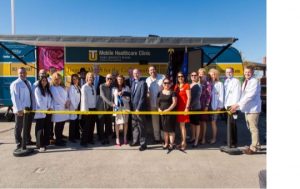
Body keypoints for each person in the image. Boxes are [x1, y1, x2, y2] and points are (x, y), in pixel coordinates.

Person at [230, 66, 262, 154]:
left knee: (253, 128)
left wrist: (237, 105)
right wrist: (237, 106)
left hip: (253, 109)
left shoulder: (254, 81)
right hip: (247, 109)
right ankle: (257, 145)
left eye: (249, 72)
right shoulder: (245, 82)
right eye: (246, 72)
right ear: (243, 72)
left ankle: (254, 148)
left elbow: (249, 96)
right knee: (250, 127)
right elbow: (243, 96)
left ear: (252, 73)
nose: (247, 73)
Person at [10, 67, 35, 149]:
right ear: (18, 74)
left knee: (27, 125)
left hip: (28, 108)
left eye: (24, 72)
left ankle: (27, 140)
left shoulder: (28, 82)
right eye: (20, 73)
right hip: (20, 110)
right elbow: (15, 98)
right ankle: (18, 142)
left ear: (26, 73)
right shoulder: (15, 83)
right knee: (19, 126)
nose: (22, 74)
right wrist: (18, 109)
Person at [145, 65, 165, 143]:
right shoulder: (147, 80)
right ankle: (157, 138)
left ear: (156, 70)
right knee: (155, 122)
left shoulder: (162, 77)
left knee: (163, 121)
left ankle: (164, 138)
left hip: (162, 104)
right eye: (150, 70)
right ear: (148, 72)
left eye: (153, 69)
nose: (152, 71)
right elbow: (147, 93)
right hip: (153, 104)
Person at [130, 69, 148, 151]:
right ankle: (135, 141)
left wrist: (138, 108)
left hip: (139, 109)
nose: (135, 74)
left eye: (137, 73)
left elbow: (142, 97)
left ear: (140, 73)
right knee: (134, 125)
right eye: (134, 73)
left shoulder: (143, 83)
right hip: (133, 109)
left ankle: (143, 144)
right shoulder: (133, 82)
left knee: (141, 126)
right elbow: (132, 95)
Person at [34, 76, 53, 152]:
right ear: (40, 81)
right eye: (43, 80)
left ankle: (46, 143)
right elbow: (39, 101)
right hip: (41, 112)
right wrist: (45, 109)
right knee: (40, 129)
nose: (44, 82)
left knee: (47, 128)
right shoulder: (37, 90)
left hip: (48, 112)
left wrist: (50, 107)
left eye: (45, 81)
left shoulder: (47, 90)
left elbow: (51, 100)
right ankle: (40, 145)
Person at [50, 72, 70, 146]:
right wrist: (65, 103)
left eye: (59, 79)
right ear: (53, 79)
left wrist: (67, 101)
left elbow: (66, 95)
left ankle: (60, 137)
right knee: (58, 124)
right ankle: (58, 140)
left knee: (62, 123)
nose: (58, 80)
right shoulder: (52, 87)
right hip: (58, 108)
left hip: (64, 107)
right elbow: (57, 98)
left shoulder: (62, 87)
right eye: (56, 79)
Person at [157, 78, 177, 150]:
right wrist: (159, 109)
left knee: (171, 130)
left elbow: (174, 103)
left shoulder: (173, 92)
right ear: (163, 84)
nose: (166, 84)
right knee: (165, 130)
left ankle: (171, 144)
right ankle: (166, 143)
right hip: (162, 114)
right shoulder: (160, 92)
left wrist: (168, 110)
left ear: (170, 84)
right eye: (165, 83)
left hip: (170, 114)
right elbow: (158, 103)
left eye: (168, 83)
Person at [224, 67, 241, 147]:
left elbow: (237, 94)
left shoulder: (236, 81)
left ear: (233, 72)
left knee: (233, 124)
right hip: (227, 105)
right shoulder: (226, 81)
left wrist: (234, 107)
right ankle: (229, 139)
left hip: (233, 106)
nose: (228, 73)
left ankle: (234, 142)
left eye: (230, 72)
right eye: (227, 72)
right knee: (228, 123)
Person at [174, 71, 191, 151]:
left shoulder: (187, 85)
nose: (180, 78)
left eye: (182, 76)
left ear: (184, 77)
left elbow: (189, 97)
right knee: (180, 127)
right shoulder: (176, 86)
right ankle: (182, 142)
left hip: (184, 108)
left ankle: (184, 143)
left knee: (182, 127)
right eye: (179, 77)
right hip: (177, 108)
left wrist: (187, 107)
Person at [112, 75, 131, 146]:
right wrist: (117, 95)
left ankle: (125, 137)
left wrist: (123, 95)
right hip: (117, 108)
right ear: (116, 80)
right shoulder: (114, 88)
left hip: (125, 107)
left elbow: (129, 99)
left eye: (121, 79)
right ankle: (117, 138)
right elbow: (112, 99)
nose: (120, 81)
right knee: (117, 123)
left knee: (125, 123)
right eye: (118, 79)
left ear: (123, 80)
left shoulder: (127, 88)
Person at [80, 72, 97, 147]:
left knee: (92, 125)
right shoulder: (84, 87)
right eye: (89, 77)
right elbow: (84, 100)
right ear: (87, 78)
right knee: (86, 127)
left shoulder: (93, 86)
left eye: (92, 77)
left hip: (93, 108)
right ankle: (84, 141)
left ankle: (90, 139)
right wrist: (85, 110)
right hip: (87, 109)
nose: (91, 78)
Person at [98, 74, 116, 145]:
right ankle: (102, 138)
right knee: (101, 124)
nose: (109, 80)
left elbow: (114, 96)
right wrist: (111, 103)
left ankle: (106, 137)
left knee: (108, 124)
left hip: (109, 108)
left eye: (111, 79)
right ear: (105, 79)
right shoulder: (101, 86)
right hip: (101, 107)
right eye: (108, 78)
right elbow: (103, 96)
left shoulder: (112, 87)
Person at [208, 68, 224, 144]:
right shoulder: (209, 83)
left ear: (217, 75)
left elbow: (221, 96)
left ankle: (214, 138)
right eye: (211, 74)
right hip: (208, 106)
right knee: (209, 122)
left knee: (213, 122)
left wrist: (219, 107)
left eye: (214, 74)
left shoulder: (219, 84)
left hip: (215, 107)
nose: (212, 76)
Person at [198, 68, 212, 145]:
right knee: (199, 122)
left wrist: (207, 105)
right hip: (198, 105)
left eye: (202, 73)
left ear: (204, 74)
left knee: (203, 122)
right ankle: (199, 136)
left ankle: (203, 138)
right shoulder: (198, 82)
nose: (200, 75)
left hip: (204, 105)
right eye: (199, 73)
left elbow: (209, 95)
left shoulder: (207, 83)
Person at [188, 71, 202, 147]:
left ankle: (196, 140)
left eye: (195, 75)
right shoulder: (190, 85)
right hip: (190, 108)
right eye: (192, 75)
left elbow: (197, 98)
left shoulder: (198, 85)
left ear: (197, 76)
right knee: (192, 123)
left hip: (196, 107)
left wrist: (190, 105)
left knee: (197, 124)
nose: (193, 76)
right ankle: (193, 138)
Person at [93, 64, 105, 141]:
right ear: (93, 69)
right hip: (91, 100)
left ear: (99, 70)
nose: (96, 70)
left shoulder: (103, 78)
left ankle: (100, 135)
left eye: (97, 68)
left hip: (99, 100)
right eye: (95, 68)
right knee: (91, 119)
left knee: (100, 119)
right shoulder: (89, 77)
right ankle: (91, 136)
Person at [68, 74, 81, 143]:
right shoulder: (71, 87)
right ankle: (71, 137)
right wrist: (75, 107)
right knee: (72, 123)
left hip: (77, 107)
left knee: (76, 122)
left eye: (76, 79)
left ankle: (76, 136)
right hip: (73, 107)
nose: (75, 80)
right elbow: (72, 98)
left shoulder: (78, 87)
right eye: (73, 79)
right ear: (72, 80)